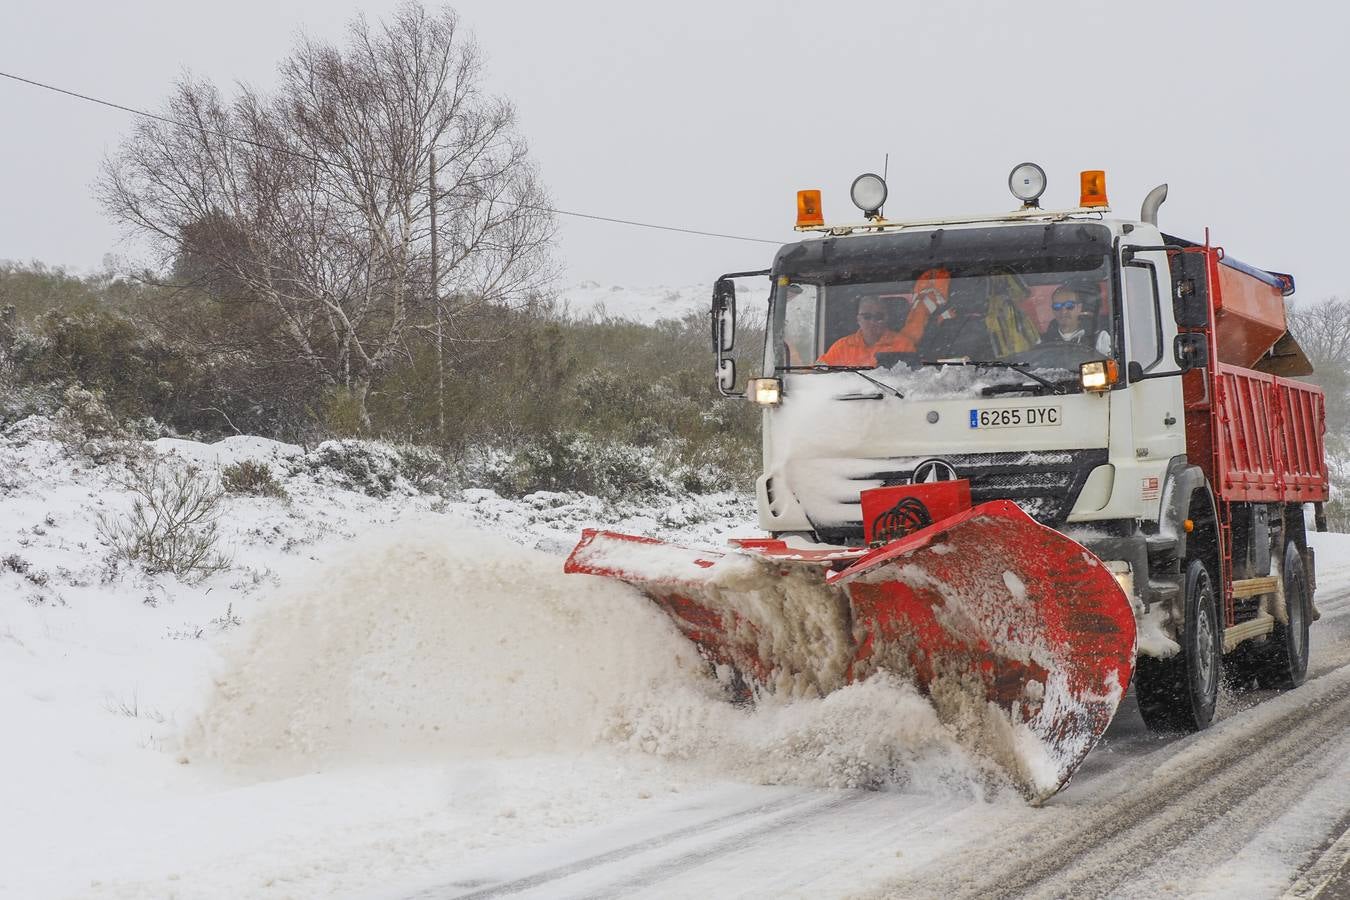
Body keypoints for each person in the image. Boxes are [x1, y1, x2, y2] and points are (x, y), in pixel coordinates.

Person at [817, 269, 948, 366]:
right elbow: (820, 373)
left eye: (879, 316)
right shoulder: (841, 346)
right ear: (858, 319)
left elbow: (911, 379)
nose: (873, 322)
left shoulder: (903, 344)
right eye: (867, 316)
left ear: (887, 319)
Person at [1042, 284, 1112, 356]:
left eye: (1069, 305)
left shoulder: (1099, 337)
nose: (1063, 311)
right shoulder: (1043, 341)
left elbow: (1110, 365)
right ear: (1052, 310)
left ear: (1079, 308)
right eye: (1057, 306)